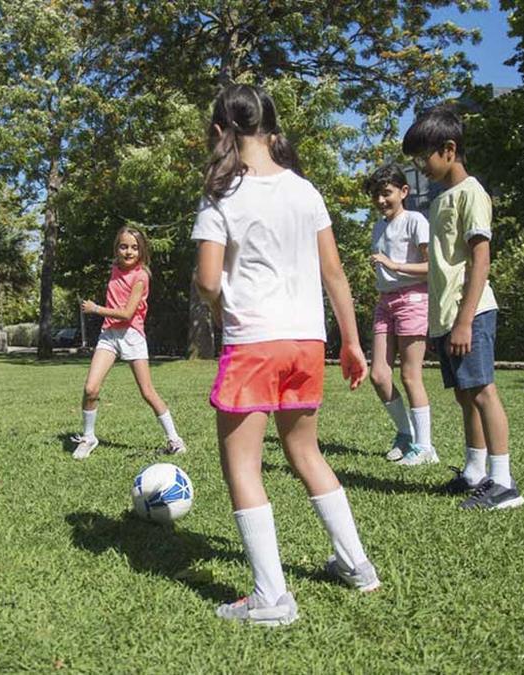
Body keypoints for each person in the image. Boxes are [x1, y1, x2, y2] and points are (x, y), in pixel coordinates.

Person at [193, 84, 379, 627]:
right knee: (306, 453)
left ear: (221, 131)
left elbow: (208, 281)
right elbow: (335, 273)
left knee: (243, 468)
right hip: (307, 341)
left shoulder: (220, 195)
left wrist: (216, 296)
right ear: (270, 129)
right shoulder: (306, 190)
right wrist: (351, 341)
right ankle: (357, 565)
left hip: (253, 342)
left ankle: (271, 598)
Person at [402, 105, 523, 510]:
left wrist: (465, 321)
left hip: (469, 313)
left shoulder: (471, 193)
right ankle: (474, 472)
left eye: (424, 158)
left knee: (484, 391)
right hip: (446, 317)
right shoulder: (440, 199)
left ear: (449, 149)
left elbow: (480, 260)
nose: (421, 167)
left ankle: (503, 483)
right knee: (465, 396)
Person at [71, 226, 186, 459]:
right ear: (117, 249)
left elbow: (127, 313)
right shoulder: (114, 268)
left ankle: (175, 440)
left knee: (147, 392)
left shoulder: (141, 276)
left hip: (131, 335)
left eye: (134, 247)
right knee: (90, 388)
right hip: (109, 335)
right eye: (123, 246)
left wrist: (96, 309)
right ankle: (89, 437)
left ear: (141, 251)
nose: (128, 251)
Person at [364, 164, 436, 466]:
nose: (381, 200)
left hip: (413, 300)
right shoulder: (379, 226)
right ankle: (406, 435)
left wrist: (394, 266)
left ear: (403, 192)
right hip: (386, 302)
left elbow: (432, 267)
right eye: (376, 195)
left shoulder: (415, 220)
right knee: (379, 375)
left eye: (386, 193)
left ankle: (426, 447)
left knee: (409, 375)